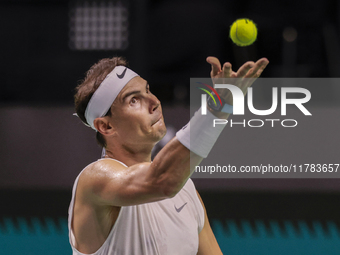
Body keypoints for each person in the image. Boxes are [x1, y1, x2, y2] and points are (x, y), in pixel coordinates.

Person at [68, 56, 269, 255]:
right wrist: (217, 107)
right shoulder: (94, 180)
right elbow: (162, 181)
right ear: (106, 126)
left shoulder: (186, 190)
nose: (154, 101)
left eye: (147, 90)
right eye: (134, 100)